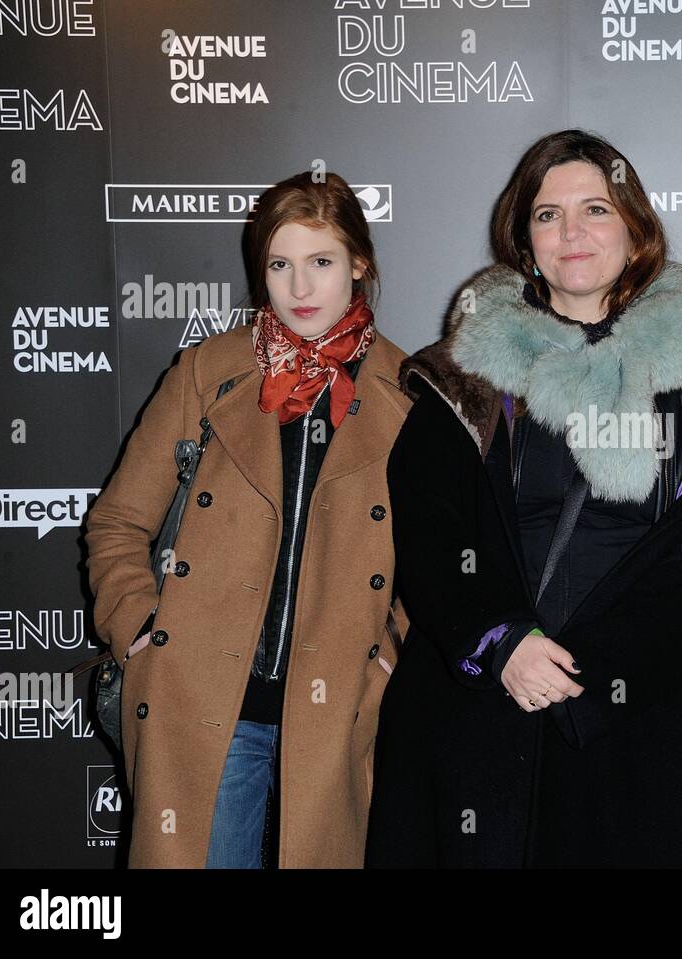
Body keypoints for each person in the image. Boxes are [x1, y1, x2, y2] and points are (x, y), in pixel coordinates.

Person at [365, 129, 682, 867]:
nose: (572, 233)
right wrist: (502, 643)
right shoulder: (463, 379)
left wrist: (585, 677)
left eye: (595, 209)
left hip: (640, 738)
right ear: (524, 241)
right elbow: (431, 533)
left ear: (634, 230)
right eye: (548, 215)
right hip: (482, 727)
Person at [85, 171, 411, 868]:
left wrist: (389, 658)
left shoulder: (406, 395)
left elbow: (437, 557)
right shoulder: (209, 372)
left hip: (335, 713)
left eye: (321, 262)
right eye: (279, 265)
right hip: (208, 707)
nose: (299, 289)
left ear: (359, 263)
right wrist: (140, 629)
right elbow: (117, 523)